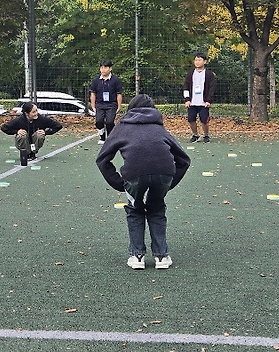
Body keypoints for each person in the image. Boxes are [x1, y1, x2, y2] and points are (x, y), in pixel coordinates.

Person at [96, 94, 191, 270]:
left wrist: (118, 182)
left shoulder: (122, 126)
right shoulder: (159, 127)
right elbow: (184, 159)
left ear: (130, 108)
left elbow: (102, 159)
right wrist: (170, 183)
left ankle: (137, 255)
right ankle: (162, 256)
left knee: (134, 209)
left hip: (134, 174)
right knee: (156, 208)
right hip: (164, 173)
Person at [0, 102, 62, 166]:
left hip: (35, 142)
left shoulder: (42, 119)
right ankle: (26, 153)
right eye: (33, 112)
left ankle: (33, 153)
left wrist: (46, 132)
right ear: (26, 113)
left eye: (36, 111)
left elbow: (58, 126)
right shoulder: (19, 120)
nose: (36, 113)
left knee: (40, 135)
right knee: (22, 135)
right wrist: (17, 131)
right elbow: (4, 127)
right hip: (23, 142)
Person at [182, 52, 216, 142]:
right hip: (192, 102)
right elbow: (186, 87)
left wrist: (208, 100)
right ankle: (195, 134)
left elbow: (211, 88)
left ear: (204, 61)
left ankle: (206, 135)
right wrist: (187, 100)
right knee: (191, 119)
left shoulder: (209, 74)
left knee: (204, 120)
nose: (197, 62)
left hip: (203, 102)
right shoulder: (190, 74)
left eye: (199, 60)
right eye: (196, 60)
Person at [89, 59, 123, 143]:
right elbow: (93, 94)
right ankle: (102, 137)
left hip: (111, 104)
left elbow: (119, 94)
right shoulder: (96, 80)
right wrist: (93, 106)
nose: (103, 69)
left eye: (105, 67)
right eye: (101, 67)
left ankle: (110, 138)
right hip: (100, 104)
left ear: (110, 68)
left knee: (110, 122)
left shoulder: (116, 80)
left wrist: (119, 106)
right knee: (99, 121)